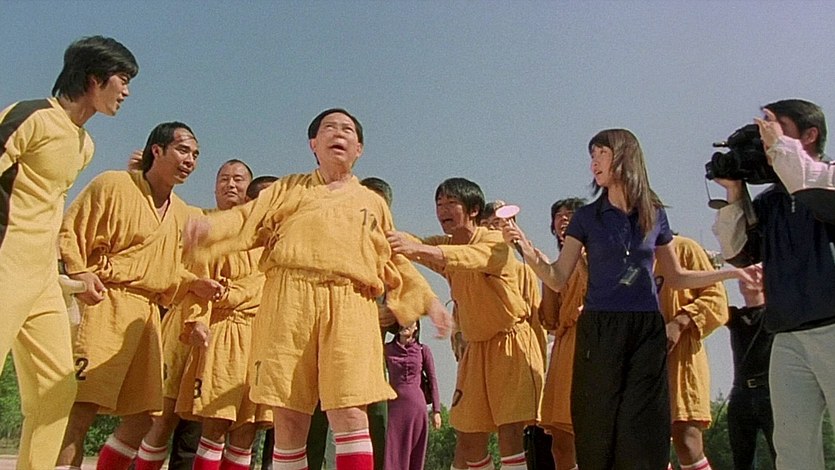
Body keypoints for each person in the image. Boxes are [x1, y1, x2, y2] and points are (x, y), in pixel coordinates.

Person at [183, 108, 452, 470]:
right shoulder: (287, 189)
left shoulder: (372, 202)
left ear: (359, 149)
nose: (338, 133)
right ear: (313, 143)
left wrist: (430, 302)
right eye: (329, 128)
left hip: (351, 303)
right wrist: (210, 229)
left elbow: (392, 257)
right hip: (289, 303)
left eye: (347, 129)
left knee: (351, 410)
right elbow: (246, 219)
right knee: (289, 416)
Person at [502, 129, 752, 469]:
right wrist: (523, 245)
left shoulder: (654, 213)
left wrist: (731, 274)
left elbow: (677, 276)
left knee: (644, 429)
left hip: (646, 330)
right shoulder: (587, 217)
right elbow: (557, 277)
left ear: (624, 157)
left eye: (601, 154)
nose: (594, 163)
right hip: (599, 329)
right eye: (592, 156)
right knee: (597, 427)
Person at [0, 35, 137, 470]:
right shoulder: (30, 116)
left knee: (56, 391)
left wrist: (66, 275)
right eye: (122, 79)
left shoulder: (84, 145)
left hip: (42, 282)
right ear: (94, 78)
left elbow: (47, 210)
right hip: (4, 266)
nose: (127, 91)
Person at [56, 122, 207, 470]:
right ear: (157, 150)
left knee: (145, 415)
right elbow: (71, 232)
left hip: (147, 314)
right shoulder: (113, 184)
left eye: (196, 155)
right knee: (80, 409)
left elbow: (167, 269)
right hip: (104, 302)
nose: (190, 160)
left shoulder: (183, 213)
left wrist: (194, 284)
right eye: (183, 150)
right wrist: (79, 271)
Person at [387, 177, 544, 470]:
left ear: (473, 210)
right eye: (439, 204)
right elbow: (413, 244)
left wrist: (418, 249)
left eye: (451, 203)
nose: (442, 210)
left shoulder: (494, 242)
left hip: (509, 345)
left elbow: (465, 257)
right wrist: (382, 227)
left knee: (510, 433)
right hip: (475, 351)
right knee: (469, 438)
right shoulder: (445, 246)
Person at [713, 99, 835, 469]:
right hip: (787, 335)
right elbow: (738, 253)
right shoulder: (772, 202)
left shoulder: (828, 177)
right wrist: (735, 193)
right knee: (792, 444)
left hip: (832, 328)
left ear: (809, 135)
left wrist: (780, 147)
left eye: (774, 127)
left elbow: (809, 187)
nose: (765, 138)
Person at [134, 159, 257, 470]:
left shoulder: (256, 235)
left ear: (249, 189)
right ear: (214, 187)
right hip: (182, 330)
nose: (230, 184)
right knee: (160, 417)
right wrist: (142, 178)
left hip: (229, 335)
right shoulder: (196, 220)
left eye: (238, 179)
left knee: (219, 424)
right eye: (224, 178)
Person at [656, 235, 728, 470]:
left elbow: (716, 298)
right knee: (645, 446)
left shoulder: (684, 248)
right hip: (639, 361)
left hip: (681, 357)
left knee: (686, 440)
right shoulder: (627, 256)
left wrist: (680, 321)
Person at [538, 197, 586, 470]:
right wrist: (547, 276)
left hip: (591, 346)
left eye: (570, 214)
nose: (563, 219)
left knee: (593, 433)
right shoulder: (556, 267)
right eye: (558, 216)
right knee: (560, 440)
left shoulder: (600, 256)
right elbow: (551, 320)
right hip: (563, 349)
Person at [726, 276, 776, 469]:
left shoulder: (773, 314)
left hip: (770, 392)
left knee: (782, 453)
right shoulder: (735, 316)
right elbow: (715, 302)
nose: (746, 278)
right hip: (740, 393)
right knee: (741, 460)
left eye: (755, 274)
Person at [384, 320, 441, 470]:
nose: (405, 324)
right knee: (393, 454)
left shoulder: (423, 350)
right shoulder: (387, 349)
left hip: (417, 409)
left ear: (416, 326)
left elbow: (433, 380)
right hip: (395, 408)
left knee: (415, 455)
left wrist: (436, 411)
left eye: (410, 321)